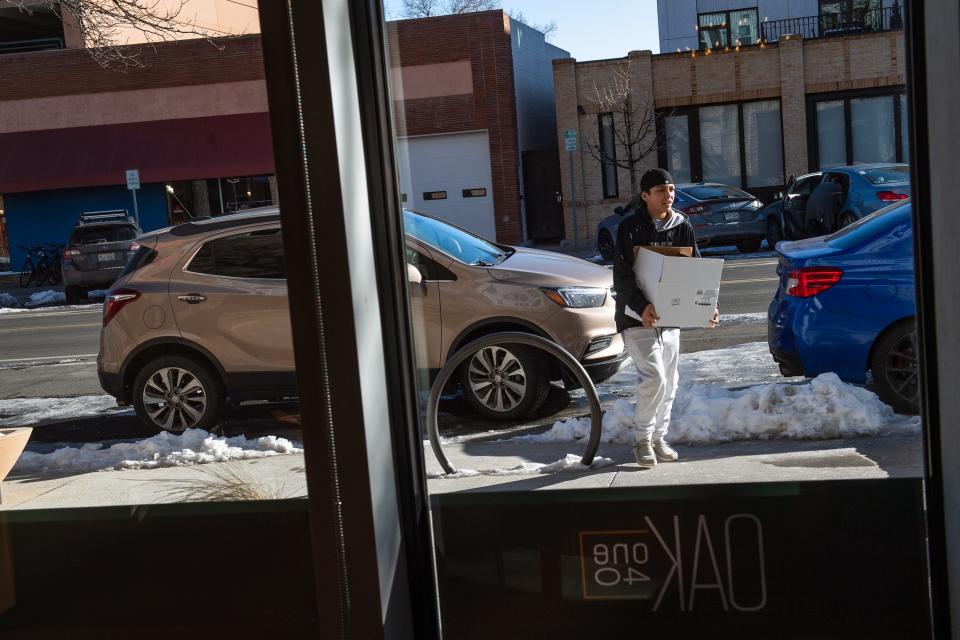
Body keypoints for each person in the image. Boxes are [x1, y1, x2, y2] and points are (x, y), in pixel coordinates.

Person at [612, 168, 719, 468]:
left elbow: (696, 269)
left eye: (671, 189)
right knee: (655, 379)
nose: (668, 195)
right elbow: (621, 276)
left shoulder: (682, 224)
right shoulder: (629, 228)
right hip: (637, 319)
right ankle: (642, 439)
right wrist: (641, 305)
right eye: (661, 190)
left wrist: (706, 306)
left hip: (670, 317)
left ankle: (659, 438)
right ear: (645, 196)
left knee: (670, 382)